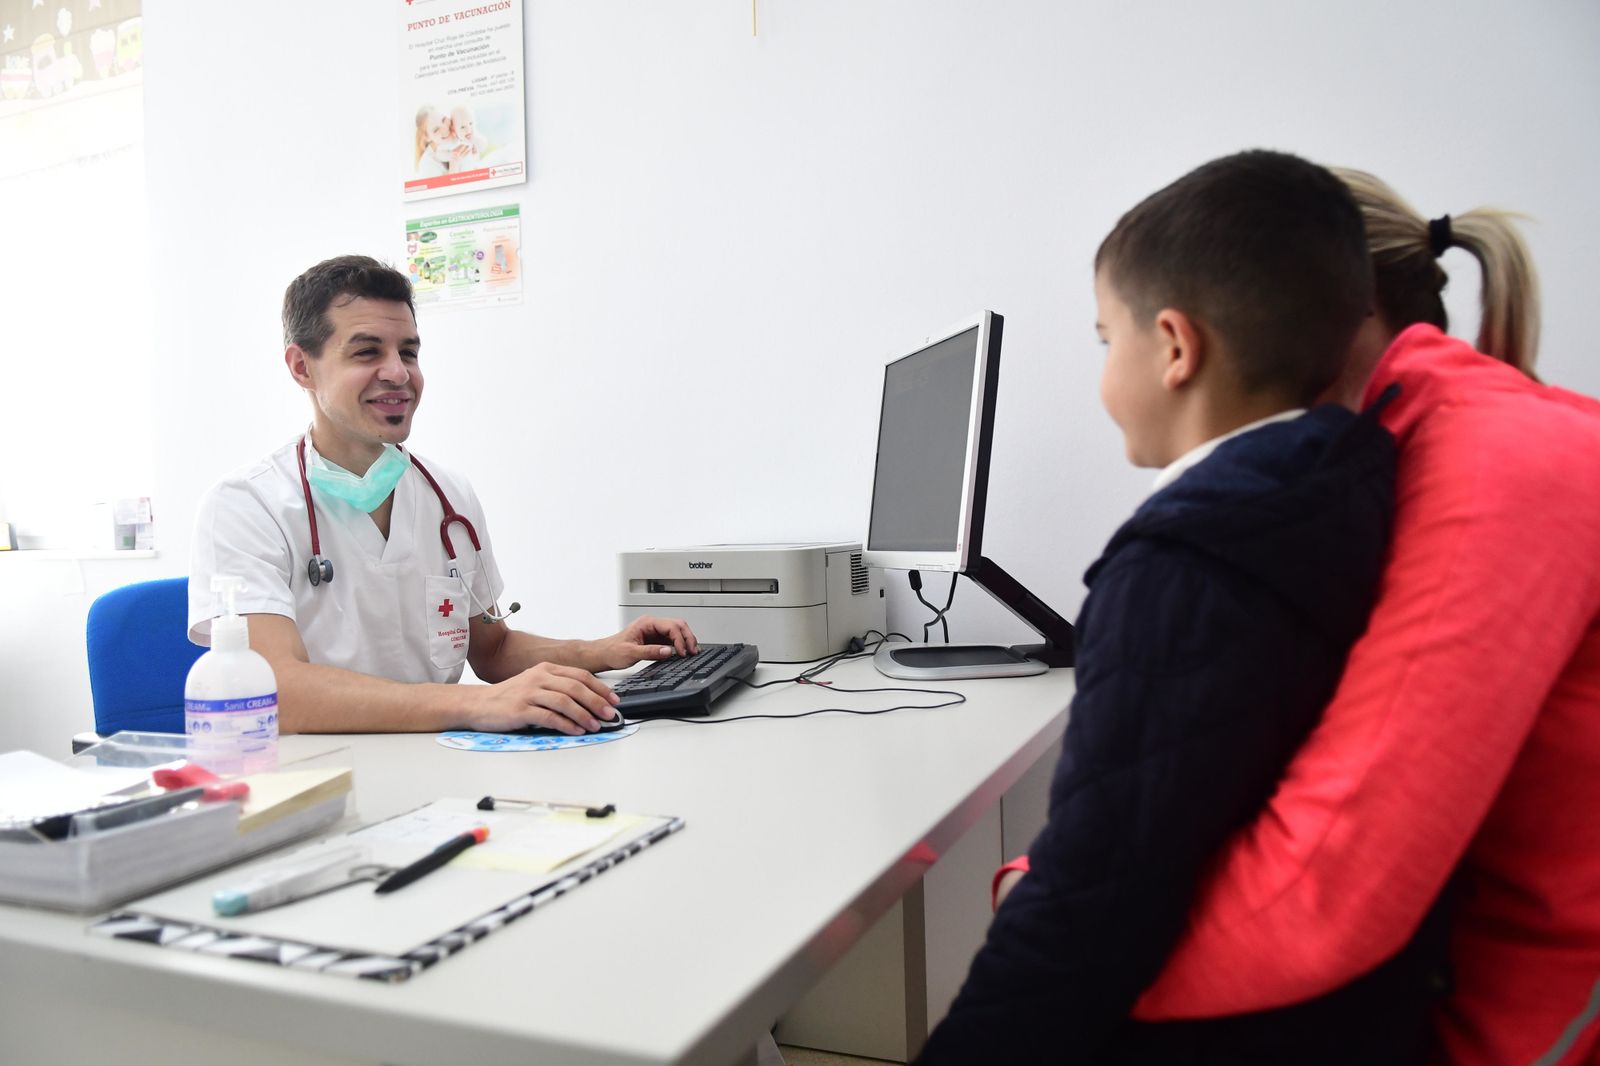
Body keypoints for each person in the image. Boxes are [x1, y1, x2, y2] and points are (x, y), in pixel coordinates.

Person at [915, 150, 1445, 1064]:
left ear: (1174, 346)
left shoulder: (1185, 565)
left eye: (1103, 339)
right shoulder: (1348, 480)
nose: (1101, 374)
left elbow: (1087, 904)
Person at [1117, 173, 1600, 1065]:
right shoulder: (1380, 459)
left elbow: (1324, 896)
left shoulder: (1502, 468)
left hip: (1519, 1020)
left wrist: (1060, 935)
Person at [188, 255, 699, 735]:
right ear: (302, 367)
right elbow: (277, 688)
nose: (398, 372)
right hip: (320, 775)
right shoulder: (245, 506)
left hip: (441, 762)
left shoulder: (447, 495)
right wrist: (477, 704)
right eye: (368, 352)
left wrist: (605, 651)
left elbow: (492, 650)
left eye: (408, 352)